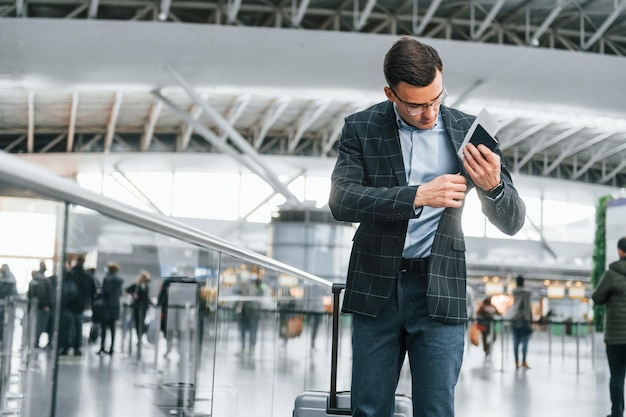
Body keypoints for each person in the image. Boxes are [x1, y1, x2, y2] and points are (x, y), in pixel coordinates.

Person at [328, 36, 526, 417]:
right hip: (376, 290)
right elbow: (341, 200)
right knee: (368, 409)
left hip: (440, 291)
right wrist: (416, 195)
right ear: (391, 94)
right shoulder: (361, 128)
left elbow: (513, 222)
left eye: (437, 98)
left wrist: (493, 187)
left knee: (436, 410)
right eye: (416, 105)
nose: (429, 112)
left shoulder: (469, 132)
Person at [592, 236, 626, 417]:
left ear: (620, 251)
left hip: (616, 337)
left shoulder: (612, 274)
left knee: (617, 376)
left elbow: (597, 297)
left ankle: (617, 413)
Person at [59, 255, 98, 356]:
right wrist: (88, 303)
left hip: (68, 304)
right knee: (78, 326)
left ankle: (65, 348)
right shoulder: (87, 276)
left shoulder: (69, 274)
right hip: (80, 305)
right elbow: (93, 292)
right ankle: (77, 348)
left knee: (66, 328)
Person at [506, 275, 533, 369]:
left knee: (515, 341)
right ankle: (524, 361)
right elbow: (527, 307)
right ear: (523, 282)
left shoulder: (514, 292)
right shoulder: (526, 293)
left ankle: (516, 362)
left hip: (513, 319)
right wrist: (529, 319)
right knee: (525, 341)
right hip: (523, 320)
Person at [98, 262, 123, 355]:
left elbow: (105, 292)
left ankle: (102, 347)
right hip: (115, 306)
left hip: (106, 306)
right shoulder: (119, 280)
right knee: (113, 328)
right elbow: (120, 293)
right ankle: (111, 348)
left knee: (103, 328)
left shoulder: (106, 279)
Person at [27, 262, 53, 348]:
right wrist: (45, 305)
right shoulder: (44, 280)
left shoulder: (34, 280)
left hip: (34, 306)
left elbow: (29, 295)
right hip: (42, 307)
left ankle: (33, 343)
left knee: (34, 325)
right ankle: (35, 343)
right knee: (39, 325)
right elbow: (44, 294)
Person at [125, 270, 152, 344]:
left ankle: (141, 335)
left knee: (143, 322)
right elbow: (127, 290)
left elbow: (146, 296)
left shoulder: (146, 286)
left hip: (144, 307)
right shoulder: (136, 285)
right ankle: (138, 338)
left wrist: (150, 301)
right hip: (137, 306)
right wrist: (132, 295)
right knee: (137, 322)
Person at [0, 264, 18, 344]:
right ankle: (5, 339)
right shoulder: (11, 276)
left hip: (4, 303)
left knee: (3, 321)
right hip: (10, 304)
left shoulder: (5, 277)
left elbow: (3, 289)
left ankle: (3, 338)